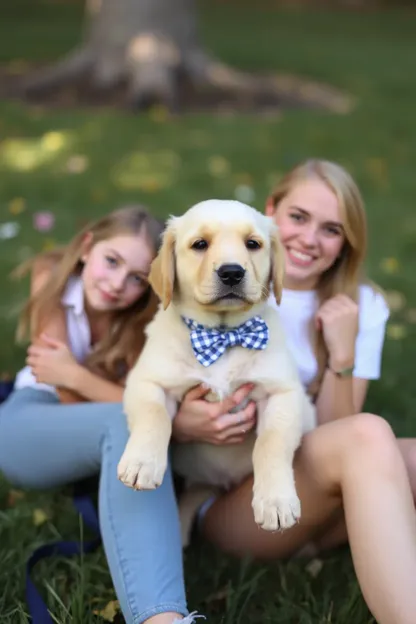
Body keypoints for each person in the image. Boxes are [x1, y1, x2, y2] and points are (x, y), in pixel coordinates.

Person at [171, 160, 416, 624]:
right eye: (298, 217)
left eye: (331, 229)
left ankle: (342, 546)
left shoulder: (363, 305)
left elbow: (334, 433)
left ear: (346, 242)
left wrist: (341, 355)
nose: (309, 239)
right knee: (367, 436)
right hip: (231, 498)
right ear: (269, 212)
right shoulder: (224, 280)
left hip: (312, 482)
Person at [0, 206, 200, 624]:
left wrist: (75, 373)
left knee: (137, 424)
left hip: (101, 432)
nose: (117, 285)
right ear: (88, 247)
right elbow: (68, 396)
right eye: (112, 262)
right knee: (135, 423)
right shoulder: (52, 277)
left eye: (136, 279)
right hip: (27, 421)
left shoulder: (145, 321)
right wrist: (132, 400)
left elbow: (147, 400)